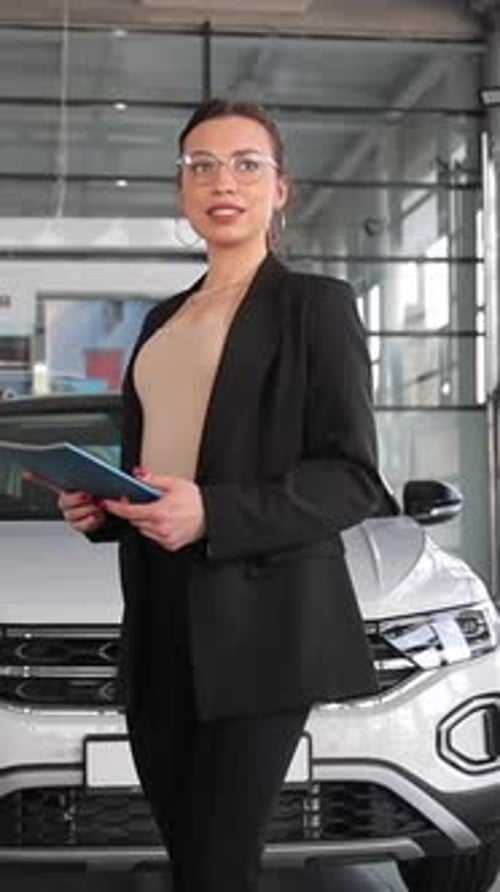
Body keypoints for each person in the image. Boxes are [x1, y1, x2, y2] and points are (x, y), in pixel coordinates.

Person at [58, 98, 389, 892]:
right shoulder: (161, 321)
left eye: (246, 163)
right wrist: (105, 509)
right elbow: (154, 466)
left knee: (217, 864)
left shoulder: (314, 306)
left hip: (262, 624)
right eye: (200, 164)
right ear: (181, 189)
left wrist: (213, 510)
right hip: (159, 616)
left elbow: (351, 477)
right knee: (189, 857)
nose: (221, 180)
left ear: (282, 191)